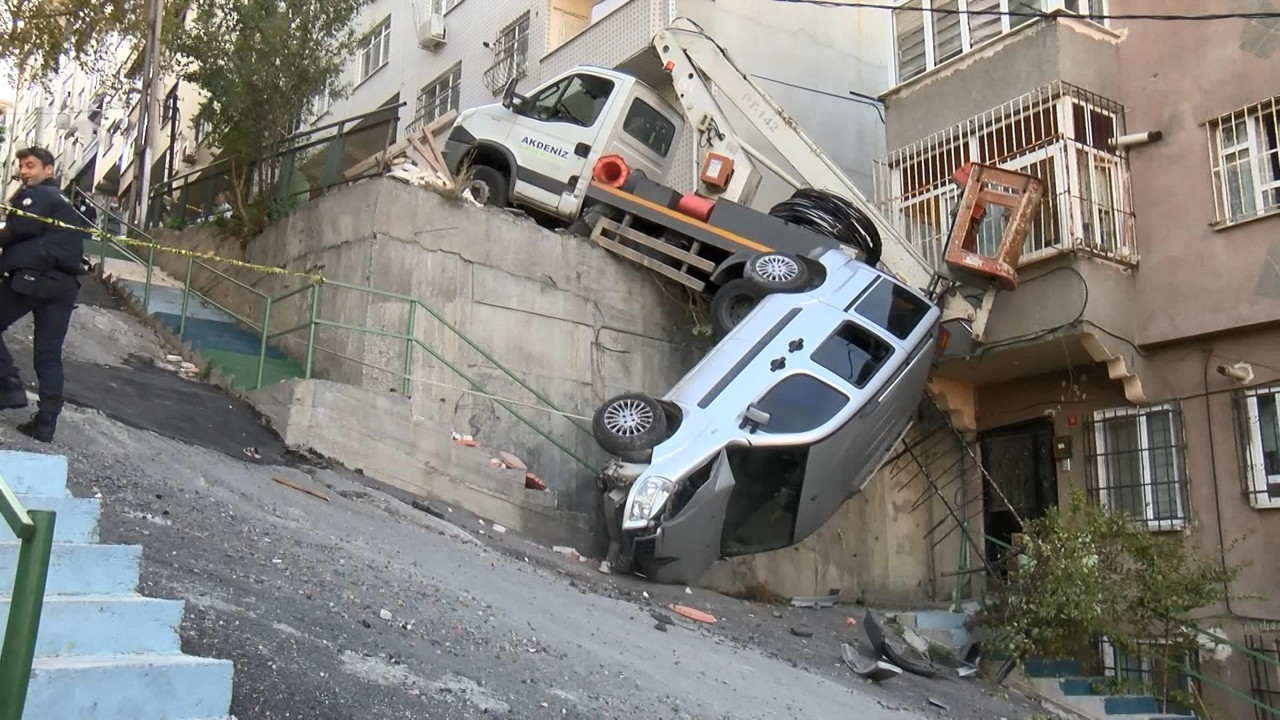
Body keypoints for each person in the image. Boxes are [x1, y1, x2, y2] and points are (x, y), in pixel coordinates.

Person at [0, 147, 90, 442]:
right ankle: (45, 422)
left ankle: (9, 383)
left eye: (31, 166)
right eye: (22, 167)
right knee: (48, 355)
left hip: (35, 278)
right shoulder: (65, 202)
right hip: (65, 285)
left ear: (48, 170)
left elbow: (19, 228)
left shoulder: (40, 195)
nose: (24, 172)